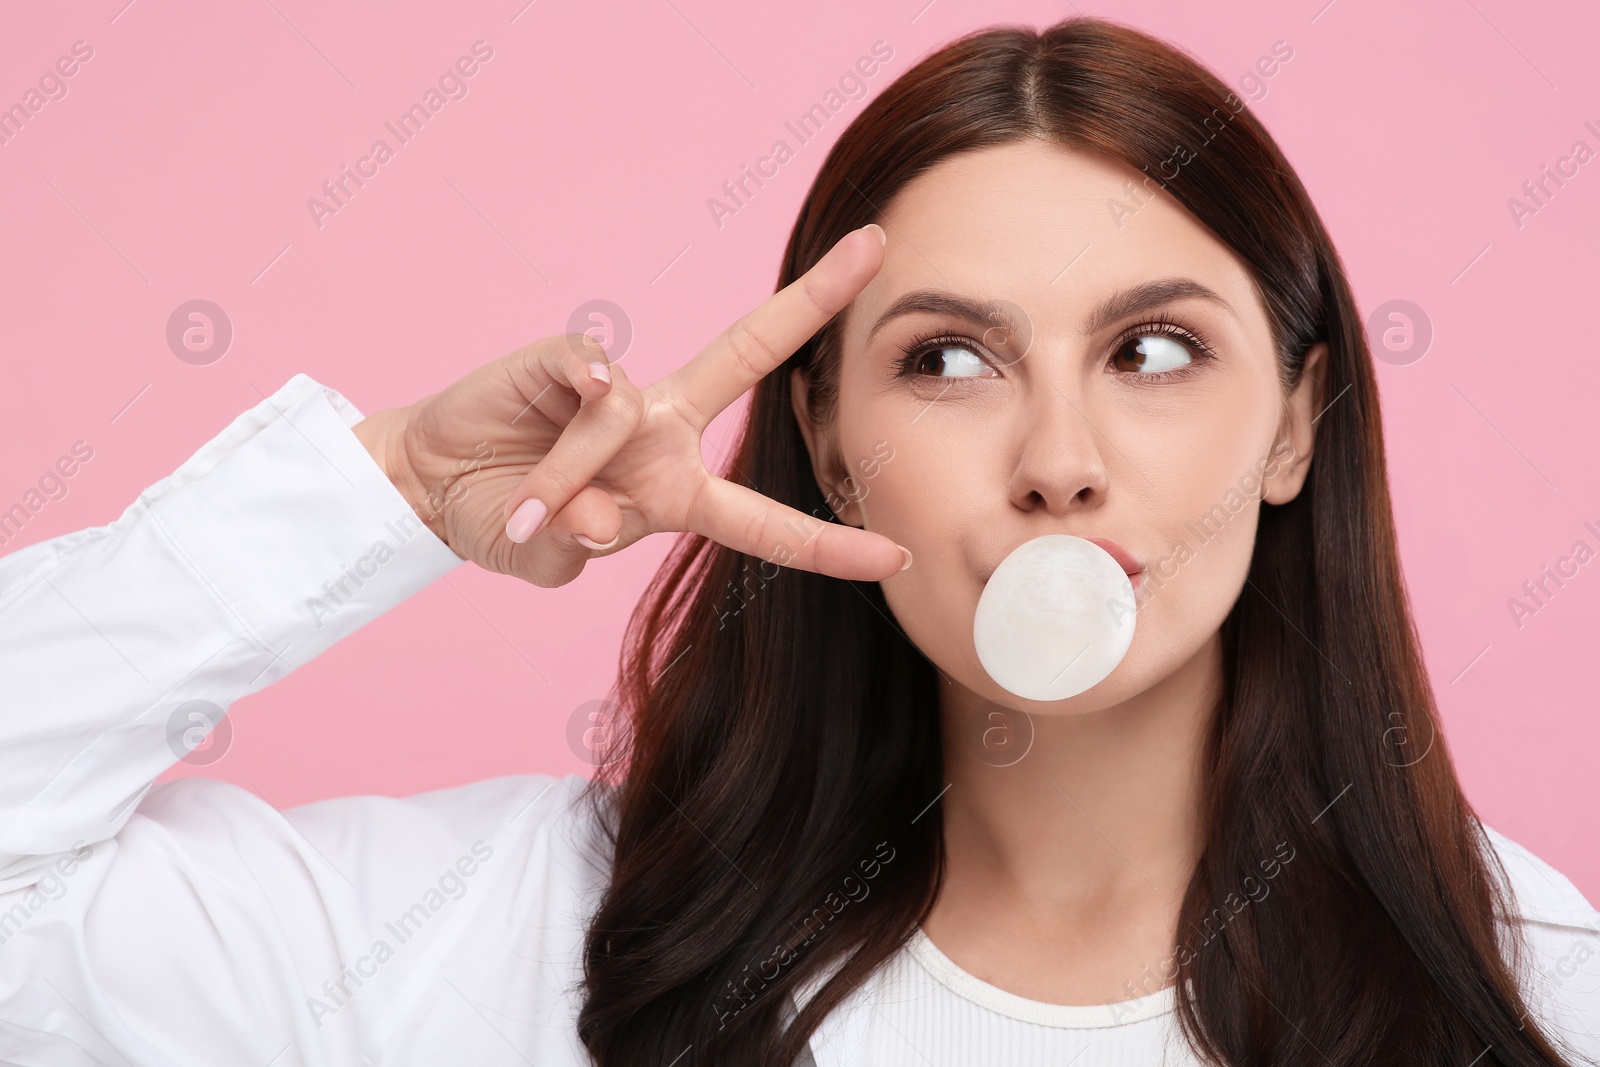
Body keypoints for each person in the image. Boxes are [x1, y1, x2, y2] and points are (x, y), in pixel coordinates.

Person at [1, 14, 1596, 1067]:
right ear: (829, 446)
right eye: (950, 360)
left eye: (1153, 352)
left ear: (1298, 424)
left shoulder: (1533, 998)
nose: (1057, 464)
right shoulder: (526, 935)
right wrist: (392, 488)